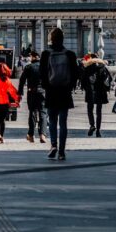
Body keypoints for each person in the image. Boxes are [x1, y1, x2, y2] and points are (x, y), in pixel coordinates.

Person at [39, 28, 80, 161]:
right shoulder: (70, 54)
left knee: (52, 121)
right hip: (64, 91)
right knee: (63, 122)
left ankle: (53, 145)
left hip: (51, 91)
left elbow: (42, 74)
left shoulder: (45, 54)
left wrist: (47, 87)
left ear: (51, 39)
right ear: (63, 39)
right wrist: (70, 86)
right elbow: (75, 74)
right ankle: (62, 151)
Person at [80, 53, 112, 137]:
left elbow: (82, 79)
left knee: (90, 109)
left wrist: (83, 87)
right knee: (99, 111)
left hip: (90, 91)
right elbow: (109, 78)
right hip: (100, 91)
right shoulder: (102, 67)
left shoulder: (88, 68)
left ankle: (92, 125)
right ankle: (98, 130)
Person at [19, 49, 47, 144]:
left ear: (34, 57)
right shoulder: (45, 67)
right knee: (43, 113)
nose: (30, 58)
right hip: (43, 92)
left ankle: (31, 135)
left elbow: (22, 80)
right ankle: (42, 134)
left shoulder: (28, 67)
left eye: (31, 56)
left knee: (32, 113)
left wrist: (20, 92)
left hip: (32, 92)